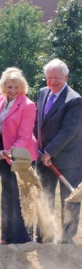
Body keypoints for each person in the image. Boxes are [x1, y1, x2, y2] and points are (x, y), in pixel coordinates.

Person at [35, 58, 82, 244]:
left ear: (66, 77)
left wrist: (50, 152)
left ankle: (67, 239)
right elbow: (38, 123)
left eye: (56, 78)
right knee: (44, 196)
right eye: (49, 77)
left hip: (68, 160)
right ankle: (45, 235)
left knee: (68, 200)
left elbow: (68, 131)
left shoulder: (75, 100)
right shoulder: (42, 93)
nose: (52, 81)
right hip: (42, 158)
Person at [0, 68, 38, 244]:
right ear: (4, 86)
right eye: (10, 86)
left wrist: (10, 151)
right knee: (7, 195)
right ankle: (6, 236)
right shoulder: (1, 99)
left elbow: (24, 136)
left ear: (23, 87)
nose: (13, 90)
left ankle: (22, 239)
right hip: (4, 155)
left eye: (16, 87)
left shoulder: (28, 105)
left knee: (22, 198)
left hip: (22, 156)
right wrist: (2, 150)